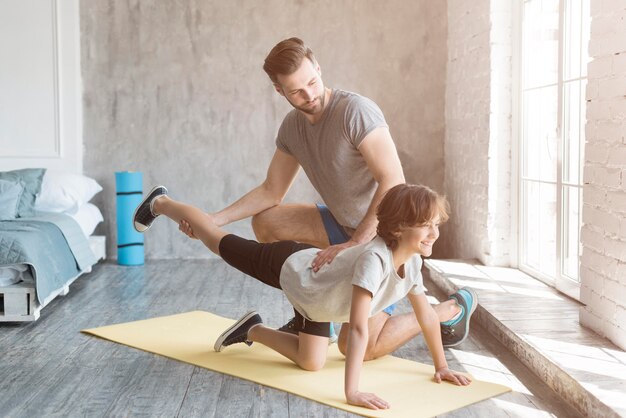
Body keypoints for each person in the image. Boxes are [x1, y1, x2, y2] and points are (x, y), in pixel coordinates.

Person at [178, 37, 467, 353]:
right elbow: (271, 190)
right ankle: (310, 317)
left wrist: (356, 243)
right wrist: (211, 220)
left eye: (313, 82)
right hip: (341, 227)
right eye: (297, 92)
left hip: (383, 239)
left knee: (359, 347)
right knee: (268, 222)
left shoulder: (355, 112)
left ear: (318, 68)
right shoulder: (292, 128)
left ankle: (449, 309)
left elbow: (393, 181)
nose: (310, 95)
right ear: (280, 91)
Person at [133, 183, 477, 410]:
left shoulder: (413, 262)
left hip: (319, 300)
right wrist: (352, 392)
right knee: (214, 237)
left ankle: (251, 329)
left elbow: (426, 315)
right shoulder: (374, 260)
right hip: (292, 268)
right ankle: (162, 202)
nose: (435, 233)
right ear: (400, 227)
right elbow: (357, 329)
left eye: (437, 224)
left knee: (312, 362)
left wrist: (442, 367)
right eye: (427, 225)